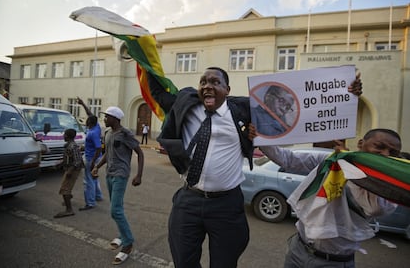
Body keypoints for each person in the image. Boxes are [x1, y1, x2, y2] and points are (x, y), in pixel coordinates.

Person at [149, 67, 254, 268]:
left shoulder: (244, 113)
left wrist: (257, 134)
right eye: (203, 82)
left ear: (228, 89)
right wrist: (144, 59)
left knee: (224, 263)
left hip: (226, 205)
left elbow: (281, 118)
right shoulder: (186, 104)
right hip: (189, 200)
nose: (208, 86)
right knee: (183, 262)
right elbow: (160, 95)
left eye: (215, 82)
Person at [254, 128, 401, 268]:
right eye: (379, 146)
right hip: (298, 249)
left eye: (393, 152)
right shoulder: (331, 160)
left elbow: (374, 208)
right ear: (361, 144)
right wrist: (260, 138)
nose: (385, 154)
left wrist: (348, 166)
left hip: (333, 262)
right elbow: (288, 159)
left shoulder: (388, 186)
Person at [91, 106, 144, 265]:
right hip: (109, 173)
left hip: (121, 174)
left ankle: (127, 244)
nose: (105, 119)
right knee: (118, 208)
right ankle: (122, 235)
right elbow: (107, 153)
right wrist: (97, 166)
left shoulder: (125, 134)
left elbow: (139, 153)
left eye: (107, 117)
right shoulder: (107, 133)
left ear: (115, 118)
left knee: (115, 210)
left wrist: (139, 175)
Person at [77, 97, 103, 210]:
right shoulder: (96, 126)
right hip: (94, 157)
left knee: (88, 180)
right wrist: (82, 103)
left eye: (87, 120)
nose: (86, 120)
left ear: (90, 122)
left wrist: (92, 162)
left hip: (91, 158)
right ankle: (98, 196)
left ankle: (90, 203)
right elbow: (90, 114)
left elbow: (98, 148)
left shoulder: (92, 133)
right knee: (94, 177)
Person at [54, 128, 84, 218]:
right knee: (66, 187)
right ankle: (68, 197)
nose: (63, 136)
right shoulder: (69, 145)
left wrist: (70, 170)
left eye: (64, 134)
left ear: (67, 136)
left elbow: (77, 161)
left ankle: (69, 210)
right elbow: (68, 158)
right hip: (70, 168)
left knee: (64, 189)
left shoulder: (72, 146)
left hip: (73, 169)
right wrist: (61, 163)